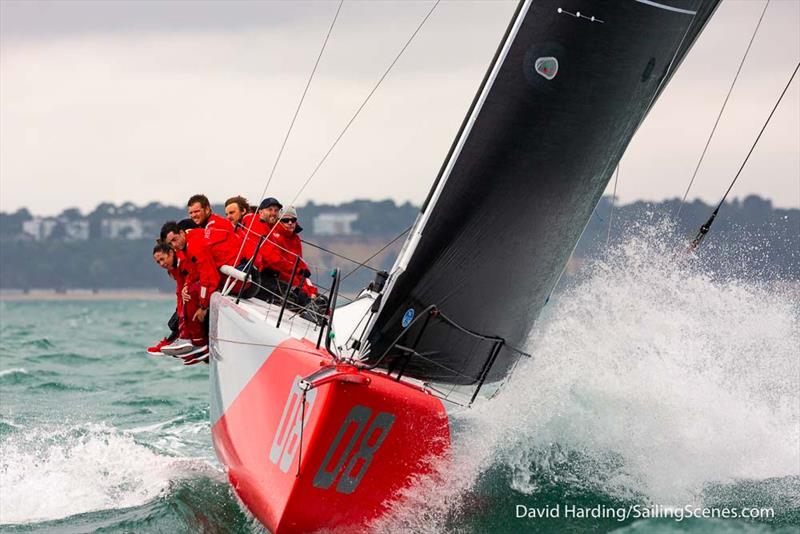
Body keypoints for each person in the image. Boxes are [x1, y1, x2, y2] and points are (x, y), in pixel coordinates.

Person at [150, 241, 205, 355]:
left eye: (162, 259)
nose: (161, 264)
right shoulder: (172, 269)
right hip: (189, 293)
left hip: (201, 291)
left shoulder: (184, 260)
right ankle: (173, 340)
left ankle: (196, 341)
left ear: (170, 253)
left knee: (187, 306)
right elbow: (179, 292)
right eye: (158, 262)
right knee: (175, 319)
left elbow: (195, 275)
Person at [277, 206, 317, 299]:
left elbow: (300, 263)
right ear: (279, 221)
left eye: (293, 220)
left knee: (319, 298)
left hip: (296, 275)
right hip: (284, 278)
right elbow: (279, 263)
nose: (290, 223)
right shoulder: (275, 236)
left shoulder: (295, 238)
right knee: (302, 294)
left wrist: (312, 291)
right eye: (286, 220)